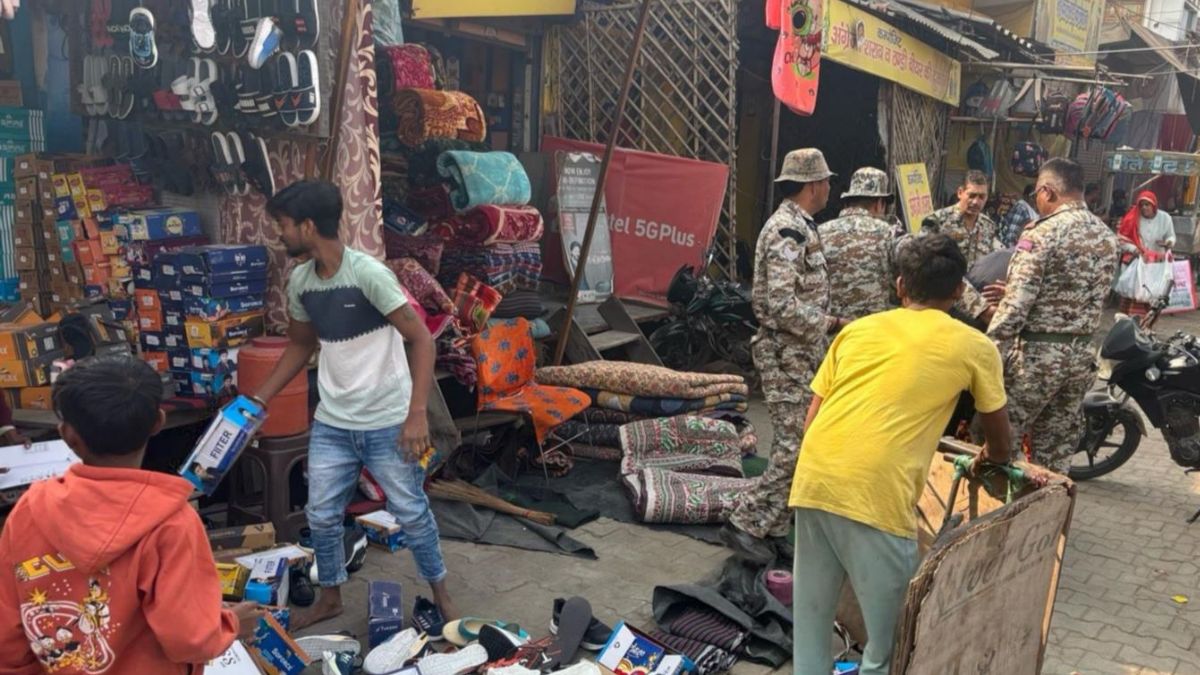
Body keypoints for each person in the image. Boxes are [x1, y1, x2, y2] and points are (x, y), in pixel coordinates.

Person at [789, 234, 1012, 675]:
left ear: (899, 286)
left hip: (813, 479)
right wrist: (992, 460)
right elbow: (1001, 441)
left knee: (811, 624)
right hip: (876, 494)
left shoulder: (855, 330)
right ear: (956, 291)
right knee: (893, 642)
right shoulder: (975, 346)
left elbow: (812, 419)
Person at [251, 180, 456, 629]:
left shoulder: (369, 274)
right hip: (332, 423)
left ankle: (442, 598)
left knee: (410, 511)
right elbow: (300, 346)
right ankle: (330, 598)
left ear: (307, 225)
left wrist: (416, 413)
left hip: (388, 421)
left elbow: (421, 339)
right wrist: (258, 400)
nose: (279, 234)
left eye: (283, 225)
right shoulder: (301, 282)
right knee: (321, 514)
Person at [0, 355, 261, 673]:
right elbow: (191, 638)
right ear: (158, 422)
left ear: (68, 435)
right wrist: (233, 623)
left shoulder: (29, 510)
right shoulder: (172, 524)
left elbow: (8, 633)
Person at [724, 148, 845, 560]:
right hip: (785, 352)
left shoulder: (802, 226)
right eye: (827, 181)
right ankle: (746, 521)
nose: (830, 187)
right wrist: (829, 323)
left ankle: (772, 526)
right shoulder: (786, 232)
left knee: (799, 444)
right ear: (813, 184)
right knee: (796, 448)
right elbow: (778, 305)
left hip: (801, 351)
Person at [989, 158, 1119, 473]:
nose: (1036, 199)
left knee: (999, 439)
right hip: (1081, 358)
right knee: (1056, 448)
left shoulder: (1042, 234)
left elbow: (1017, 305)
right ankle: (1051, 516)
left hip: (1036, 360)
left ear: (1048, 191)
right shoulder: (1106, 236)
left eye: (1037, 193)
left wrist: (986, 347)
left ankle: (999, 514)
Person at [819, 167, 896, 321]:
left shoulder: (820, 232)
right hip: (870, 333)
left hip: (830, 333)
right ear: (879, 203)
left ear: (848, 201)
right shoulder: (888, 233)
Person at [921, 170, 1004, 268]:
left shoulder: (989, 227)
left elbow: (998, 259)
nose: (976, 202)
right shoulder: (937, 221)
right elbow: (923, 258)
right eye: (972, 196)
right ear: (960, 192)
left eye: (982, 197)